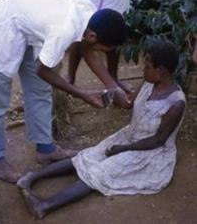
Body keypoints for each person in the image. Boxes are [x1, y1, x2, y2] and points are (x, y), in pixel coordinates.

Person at [17, 40, 186, 220]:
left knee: (100, 172)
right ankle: (31, 178)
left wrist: (122, 149)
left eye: (147, 66)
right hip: (131, 137)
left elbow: (158, 140)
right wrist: (109, 96)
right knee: (89, 155)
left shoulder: (176, 103)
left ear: (162, 71)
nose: (143, 69)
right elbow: (129, 103)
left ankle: (45, 205)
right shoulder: (149, 83)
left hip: (149, 153)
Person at [0, 0, 128, 183]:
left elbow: (87, 50)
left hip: (29, 31)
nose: (102, 52)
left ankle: (45, 150)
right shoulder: (64, 29)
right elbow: (42, 70)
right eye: (104, 48)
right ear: (92, 36)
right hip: (3, 28)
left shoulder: (91, 16)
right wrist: (82, 94)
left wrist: (113, 87)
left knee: (40, 91)